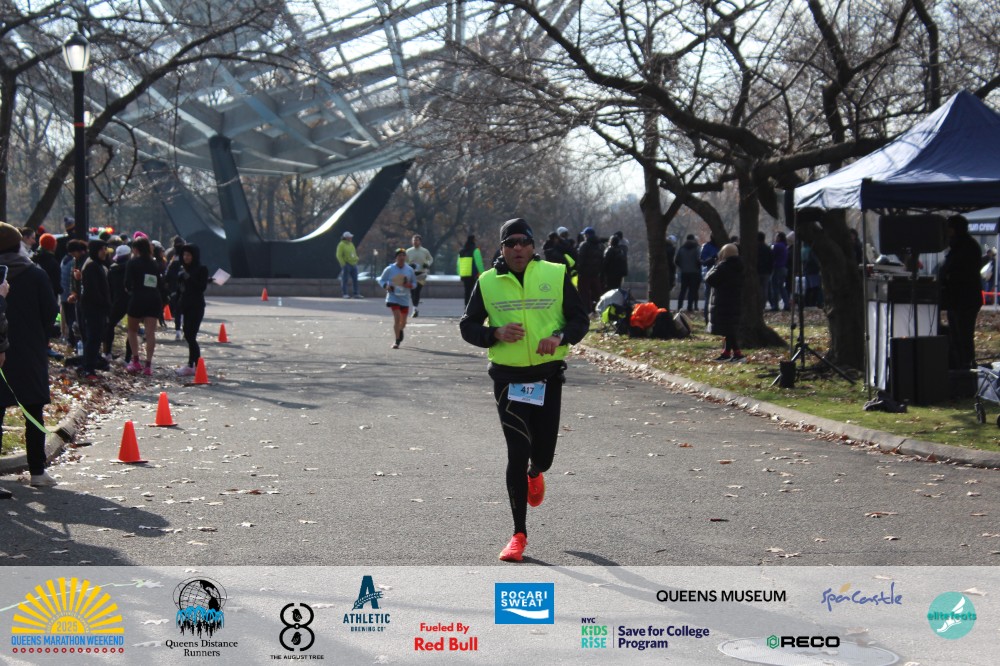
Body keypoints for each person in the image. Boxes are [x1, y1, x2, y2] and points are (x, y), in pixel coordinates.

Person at [459, 218, 589, 562]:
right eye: (510, 243)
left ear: (533, 246)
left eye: (523, 242)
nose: (517, 248)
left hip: (548, 376)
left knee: (542, 456)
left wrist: (560, 337)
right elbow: (467, 326)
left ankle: (536, 472)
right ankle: (518, 535)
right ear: (502, 248)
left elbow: (580, 319)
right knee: (517, 451)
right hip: (508, 380)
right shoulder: (487, 282)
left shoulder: (555, 274)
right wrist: (494, 334)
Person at [0, 222, 60, 487]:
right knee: (33, 410)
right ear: (18, 245)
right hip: (29, 349)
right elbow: (51, 312)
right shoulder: (35, 274)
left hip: (0, 351)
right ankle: (37, 471)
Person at [940, 215, 983, 369]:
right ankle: (961, 364)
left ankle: (965, 365)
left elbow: (959, 272)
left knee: (963, 335)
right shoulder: (961, 245)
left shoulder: (965, 247)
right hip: (960, 299)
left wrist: (945, 277)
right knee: (957, 335)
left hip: (964, 299)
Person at [124, 237, 163, 376]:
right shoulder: (154, 263)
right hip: (154, 298)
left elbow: (127, 283)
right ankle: (148, 365)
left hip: (137, 298)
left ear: (135, 249)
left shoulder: (132, 262)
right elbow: (159, 282)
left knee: (132, 330)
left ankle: (135, 360)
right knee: (150, 333)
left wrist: (130, 290)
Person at [705, 243, 745, 362]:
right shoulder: (739, 266)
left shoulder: (723, 266)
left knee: (728, 329)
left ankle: (737, 354)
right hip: (734, 301)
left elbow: (709, 279)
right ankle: (728, 353)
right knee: (729, 329)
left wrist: (715, 265)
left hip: (724, 300)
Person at [174, 244, 210, 376]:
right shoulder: (183, 269)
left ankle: (194, 364)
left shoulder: (201, 269)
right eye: (184, 255)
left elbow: (201, 288)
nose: (186, 257)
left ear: (194, 256)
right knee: (188, 334)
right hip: (185, 305)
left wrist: (189, 278)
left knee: (191, 335)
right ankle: (192, 364)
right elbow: (180, 289)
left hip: (197, 306)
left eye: (188, 255)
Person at [79, 240, 111, 380]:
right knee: (93, 338)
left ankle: (89, 365)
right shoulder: (92, 266)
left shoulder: (97, 265)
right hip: (93, 309)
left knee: (95, 338)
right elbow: (92, 291)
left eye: (105, 248)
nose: (105, 252)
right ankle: (88, 368)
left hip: (97, 308)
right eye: (102, 249)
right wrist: (104, 303)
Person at [379, 249, 416, 349]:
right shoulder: (389, 269)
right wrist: (386, 286)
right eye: (399, 255)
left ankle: (400, 330)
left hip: (404, 298)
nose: (402, 257)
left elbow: (414, 283)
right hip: (393, 297)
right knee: (397, 317)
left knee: (403, 323)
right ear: (396, 257)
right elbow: (381, 280)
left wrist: (409, 285)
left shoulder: (409, 270)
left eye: (403, 255)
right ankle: (397, 341)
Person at [104, 244, 133, 364]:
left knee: (110, 325)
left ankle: (107, 352)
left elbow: (109, 288)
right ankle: (128, 357)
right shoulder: (131, 267)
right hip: (131, 300)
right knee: (132, 329)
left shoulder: (112, 269)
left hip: (117, 301)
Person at [576, 227, 604, 313]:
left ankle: (586, 310)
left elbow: (580, 259)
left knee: (584, 293)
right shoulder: (600, 245)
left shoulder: (584, 245)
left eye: (584, 235)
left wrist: (578, 270)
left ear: (587, 235)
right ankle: (599, 309)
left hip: (584, 274)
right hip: (596, 273)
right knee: (597, 293)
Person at [405, 234, 433, 317]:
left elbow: (431, 259)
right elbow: (405, 261)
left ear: (420, 241)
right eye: (414, 240)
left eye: (417, 240)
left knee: (417, 290)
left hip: (421, 273)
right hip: (411, 273)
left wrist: (427, 264)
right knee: (412, 292)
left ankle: (415, 309)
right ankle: (415, 308)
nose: (415, 242)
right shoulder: (408, 251)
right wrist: (409, 265)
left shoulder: (424, 251)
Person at [675, 234, 701, 312]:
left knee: (683, 290)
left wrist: (682, 267)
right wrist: (698, 267)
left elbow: (676, 260)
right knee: (692, 291)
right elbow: (699, 259)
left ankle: (679, 306)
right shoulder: (696, 248)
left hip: (684, 272)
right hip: (694, 272)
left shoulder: (682, 248)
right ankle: (690, 307)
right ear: (693, 239)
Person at [457, 235, 484, 306]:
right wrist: (482, 273)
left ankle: (466, 306)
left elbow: (458, 264)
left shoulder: (461, 251)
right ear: (474, 241)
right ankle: (472, 306)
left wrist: (459, 273)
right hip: (473, 274)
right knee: (474, 291)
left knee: (467, 291)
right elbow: (479, 263)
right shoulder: (475, 250)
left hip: (464, 274)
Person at [337, 231, 363, 299]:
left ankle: (356, 294)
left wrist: (356, 258)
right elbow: (339, 255)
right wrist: (343, 264)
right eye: (350, 237)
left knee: (355, 280)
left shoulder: (351, 244)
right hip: (347, 264)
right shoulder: (341, 244)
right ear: (346, 238)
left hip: (353, 264)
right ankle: (345, 294)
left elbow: (354, 252)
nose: (351, 238)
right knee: (345, 280)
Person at [769, 231, 790, 311]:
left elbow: (772, 255)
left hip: (777, 268)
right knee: (781, 287)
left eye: (777, 237)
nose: (775, 238)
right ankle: (786, 304)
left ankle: (775, 305)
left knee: (774, 287)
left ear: (779, 238)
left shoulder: (777, 246)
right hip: (783, 268)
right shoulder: (784, 246)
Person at [756, 231, 773, 312]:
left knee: (757, 288)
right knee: (765, 288)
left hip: (757, 271)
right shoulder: (768, 248)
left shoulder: (755, 248)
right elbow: (771, 260)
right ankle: (763, 304)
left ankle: (758, 304)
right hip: (766, 271)